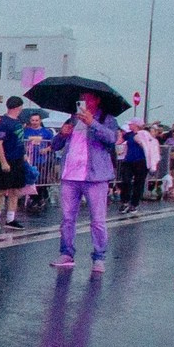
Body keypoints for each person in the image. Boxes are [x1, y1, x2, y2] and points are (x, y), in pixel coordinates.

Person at [51, 93, 122, 271]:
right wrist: (61, 134)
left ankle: (99, 257)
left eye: (88, 99)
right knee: (67, 218)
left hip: (95, 176)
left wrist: (93, 123)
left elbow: (112, 139)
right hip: (70, 175)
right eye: (81, 98)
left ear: (97, 100)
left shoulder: (107, 119)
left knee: (97, 220)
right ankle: (66, 253)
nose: (84, 102)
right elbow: (55, 145)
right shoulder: (73, 119)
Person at [0, 96, 30, 229]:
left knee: (15, 190)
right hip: (7, 159)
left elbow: (20, 140)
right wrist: (4, 162)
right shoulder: (4, 123)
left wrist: (23, 154)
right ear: (18, 107)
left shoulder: (18, 121)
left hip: (18, 159)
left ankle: (10, 219)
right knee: (1, 190)